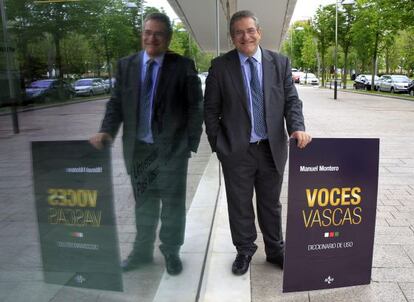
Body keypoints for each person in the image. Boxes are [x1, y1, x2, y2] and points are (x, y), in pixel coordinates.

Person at [89, 12, 203, 275]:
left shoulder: (182, 65)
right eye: (148, 32)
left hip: (172, 150)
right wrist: (106, 131)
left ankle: (171, 251)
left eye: (158, 34)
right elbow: (116, 103)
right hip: (138, 150)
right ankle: (141, 252)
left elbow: (195, 107)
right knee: (144, 204)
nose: (152, 38)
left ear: (168, 38)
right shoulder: (126, 65)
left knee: (173, 206)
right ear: (142, 34)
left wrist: (189, 144)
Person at [204, 10, 311, 276]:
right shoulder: (220, 66)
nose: (246, 36)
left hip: (272, 148)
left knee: (271, 203)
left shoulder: (280, 63)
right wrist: (219, 146)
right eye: (239, 32)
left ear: (259, 32)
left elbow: (291, 101)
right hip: (236, 151)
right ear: (232, 38)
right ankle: (245, 250)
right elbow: (210, 110)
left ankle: (276, 251)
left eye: (250, 30)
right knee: (239, 203)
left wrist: (297, 127)